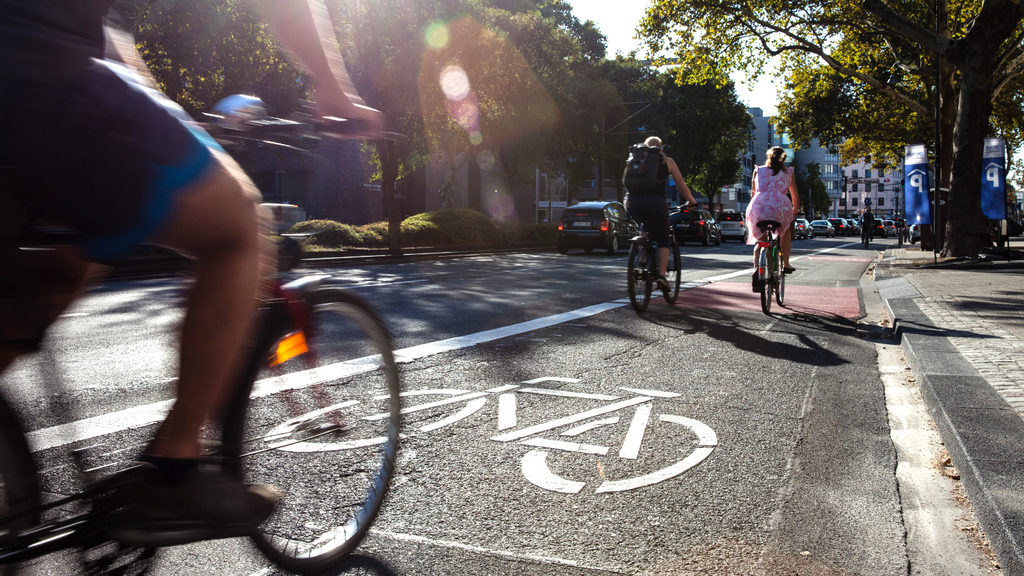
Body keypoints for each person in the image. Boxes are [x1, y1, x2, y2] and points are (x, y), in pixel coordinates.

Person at [0, 0, 381, 546]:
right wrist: (333, 89)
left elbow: (100, 31)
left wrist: (160, 110)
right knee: (239, 228)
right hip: (42, 79)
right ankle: (175, 467)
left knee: (61, 267)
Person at [624, 136, 698, 293]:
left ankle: (641, 262)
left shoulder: (635, 158)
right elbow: (681, 186)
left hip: (632, 203)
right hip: (655, 203)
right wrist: (691, 201)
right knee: (663, 238)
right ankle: (661, 277)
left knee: (645, 224)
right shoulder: (667, 161)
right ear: (660, 148)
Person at [745, 146, 800, 292]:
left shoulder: (758, 170)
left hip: (759, 206)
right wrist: (795, 212)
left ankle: (757, 269)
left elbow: (753, 193)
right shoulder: (789, 172)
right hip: (781, 208)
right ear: (783, 159)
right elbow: (795, 197)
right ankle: (786, 264)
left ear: (768, 156)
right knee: (785, 232)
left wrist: (754, 211)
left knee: (761, 242)